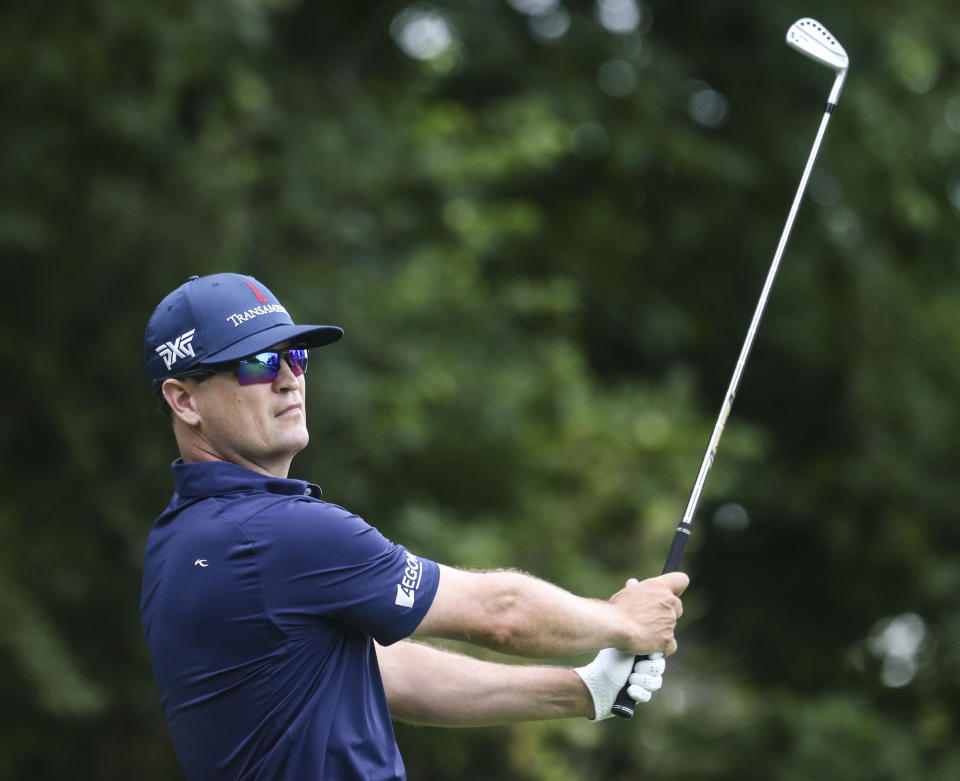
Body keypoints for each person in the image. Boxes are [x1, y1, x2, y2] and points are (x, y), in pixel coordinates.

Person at [141, 273, 689, 781]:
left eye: (296, 356)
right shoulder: (276, 533)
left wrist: (585, 691)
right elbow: (500, 613)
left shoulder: (180, 539)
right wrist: (622, 622)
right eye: (257, 363)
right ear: (184, 400)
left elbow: (392, 675)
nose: (288, 378)